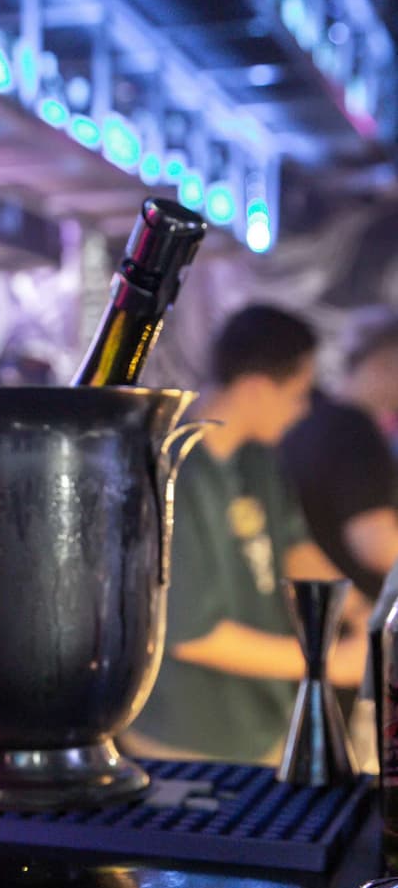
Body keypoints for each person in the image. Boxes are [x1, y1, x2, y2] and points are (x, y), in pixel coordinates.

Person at [125, 304, 367, 765]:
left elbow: (294, 548)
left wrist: (359, 611)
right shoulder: (174, 473)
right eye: (297, 395)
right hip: (189, 735)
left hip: (263, 716)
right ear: (255, 387)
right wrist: (331, 664)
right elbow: (195, 635)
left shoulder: (259, 460)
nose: (302, 411)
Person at [281, 306, 398, 604]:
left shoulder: (314, 419)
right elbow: (375, 542)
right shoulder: (354, 430)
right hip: (350, 615)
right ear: (384, 362)